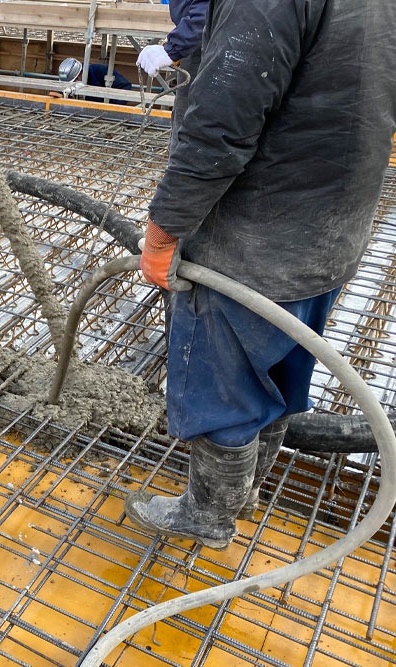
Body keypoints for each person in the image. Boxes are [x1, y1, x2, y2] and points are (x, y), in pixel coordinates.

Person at [127, 0, 396, 550]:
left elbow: (219, 129)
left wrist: (162, 235)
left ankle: (208, 513)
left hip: (254, 238)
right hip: (331, 231)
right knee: (280, 369)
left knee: (223, 387)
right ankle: (246, 491)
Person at [136, 0, 208, 151]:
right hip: (199, 38)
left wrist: (174, 46)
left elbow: (210, 8)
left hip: (211, 41)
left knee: (192, 126)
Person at [57, 58, 133, 104]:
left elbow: (125, 86)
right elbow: (62, 90)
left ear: (80, 74)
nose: (72, 85)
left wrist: (111, 106)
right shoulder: (68, 78)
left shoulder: (100, 71)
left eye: (74, 81)